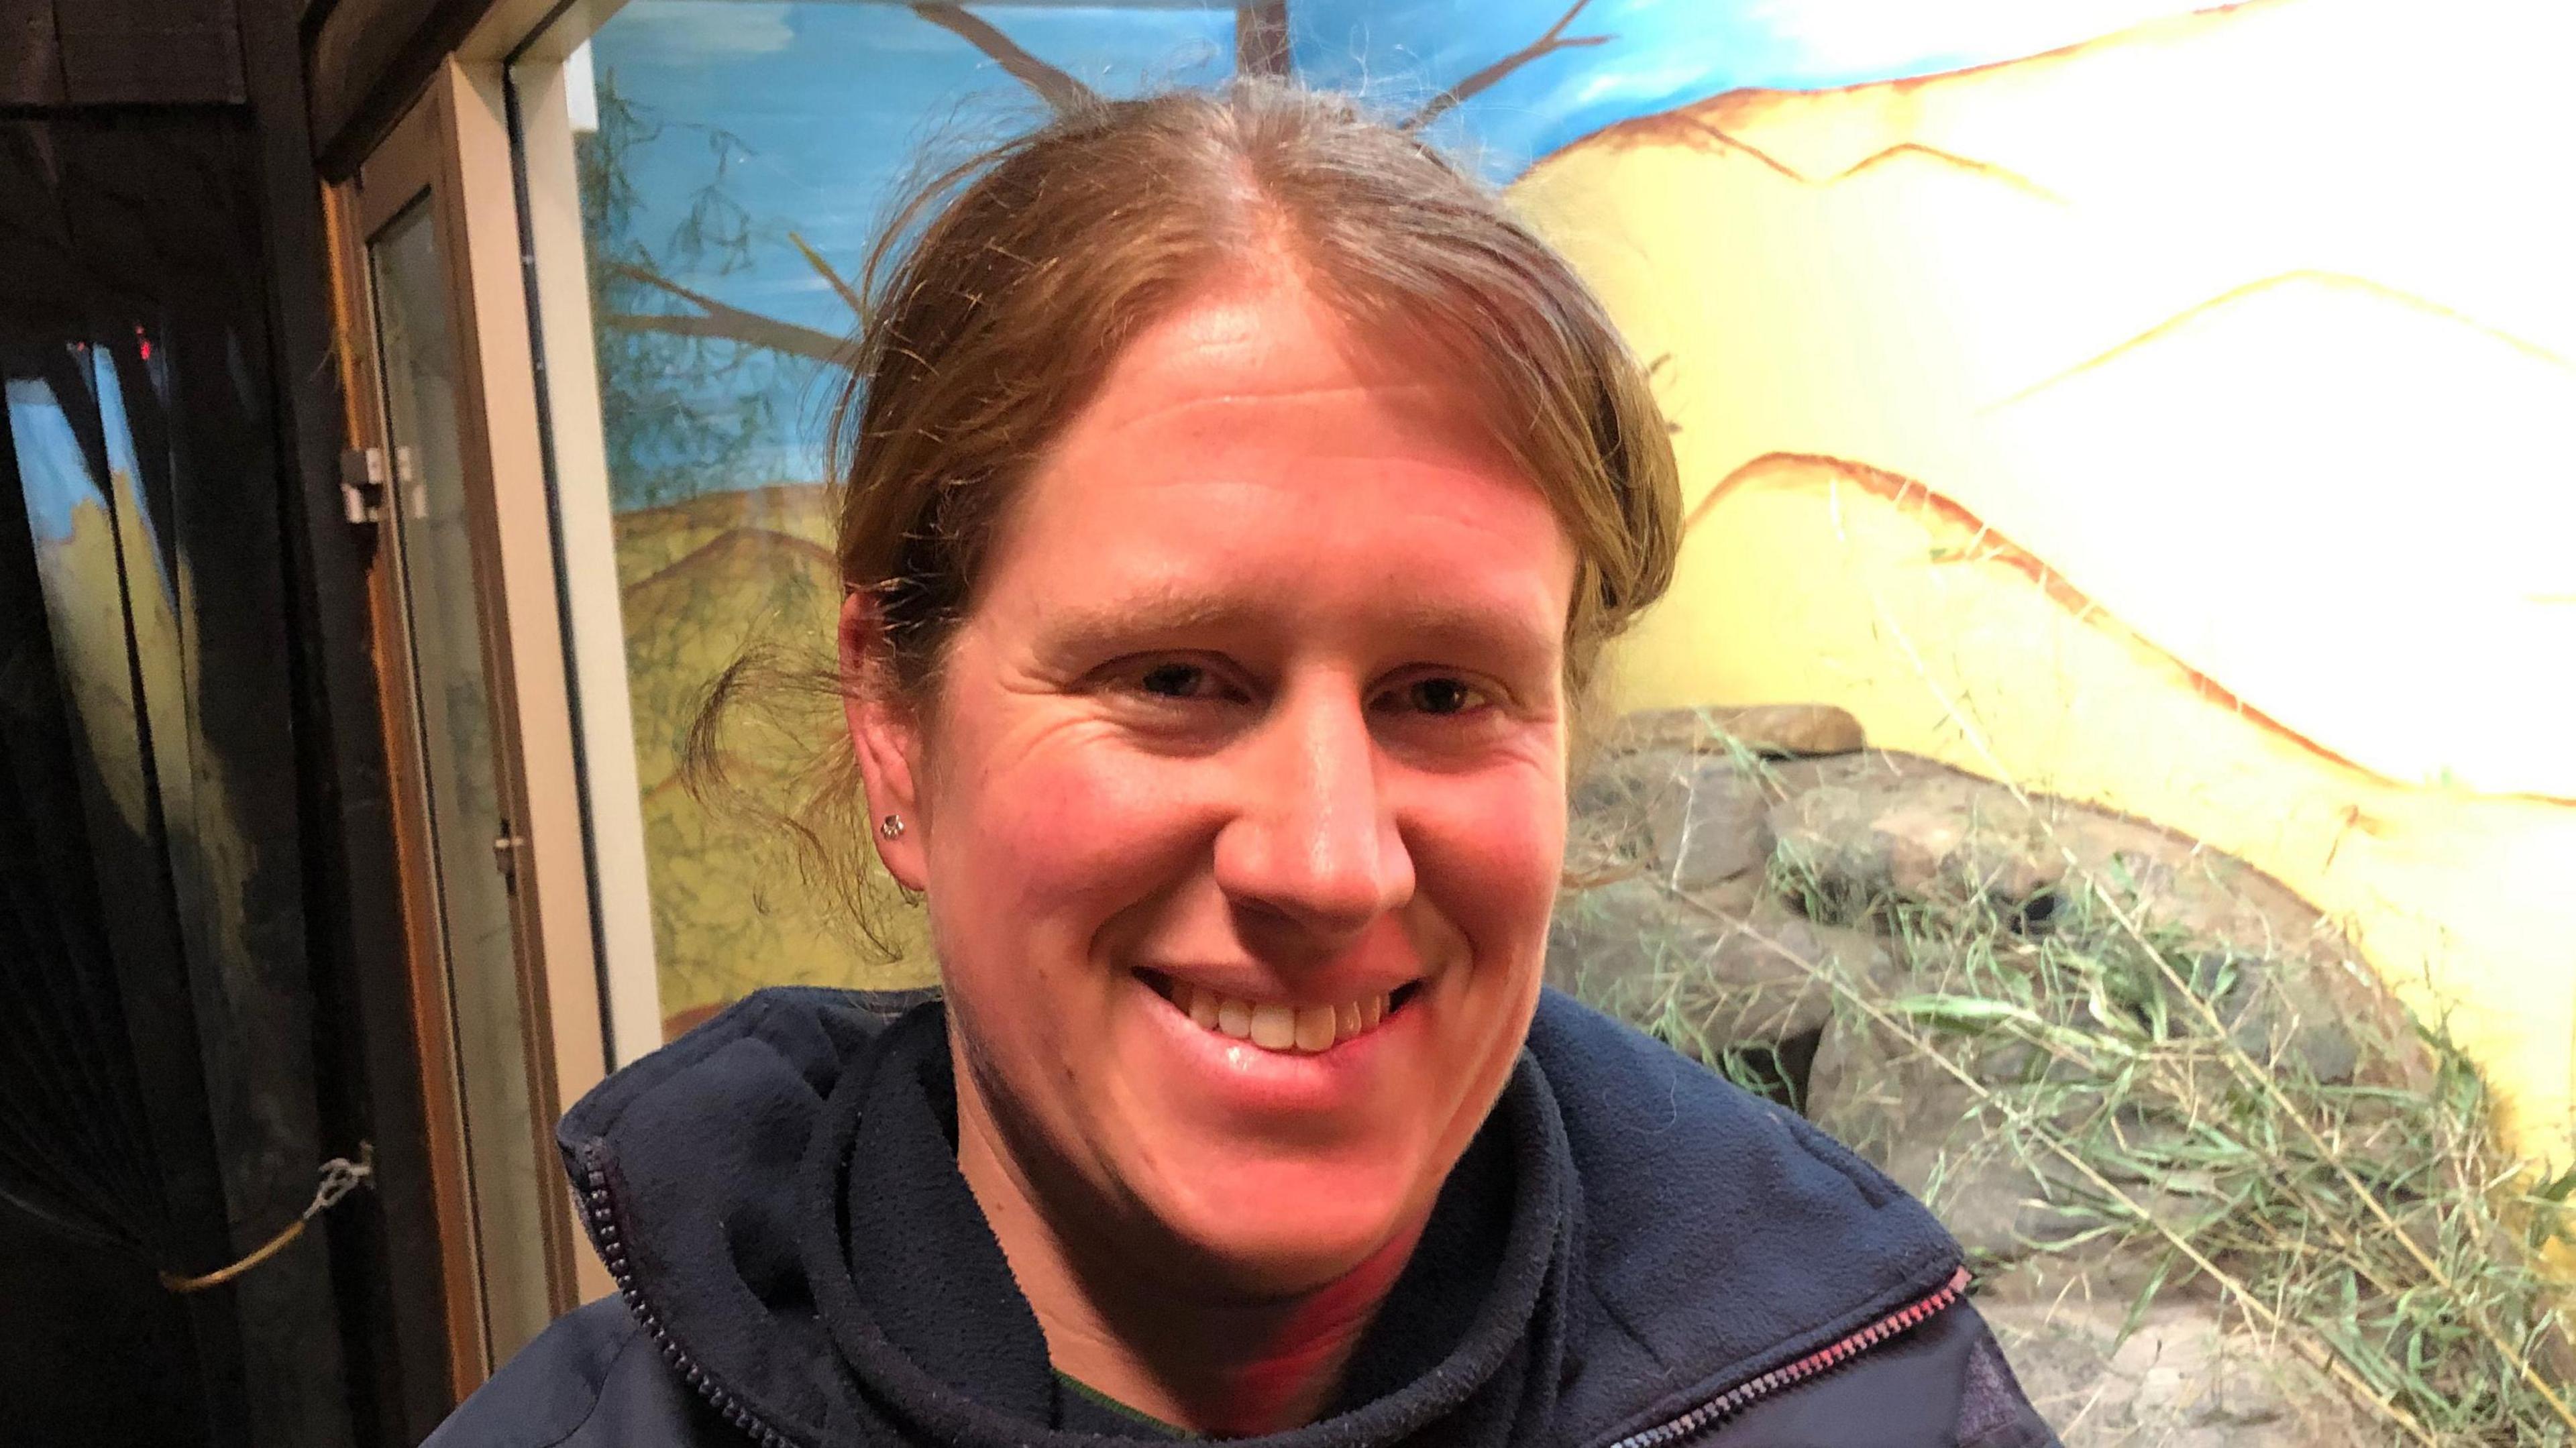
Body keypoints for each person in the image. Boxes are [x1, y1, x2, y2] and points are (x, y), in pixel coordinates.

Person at [429, 81, 2058, 1448]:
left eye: (1441, 691)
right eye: (1175, 679)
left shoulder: (1873, 1403)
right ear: (894, 724)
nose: (1330, 860)